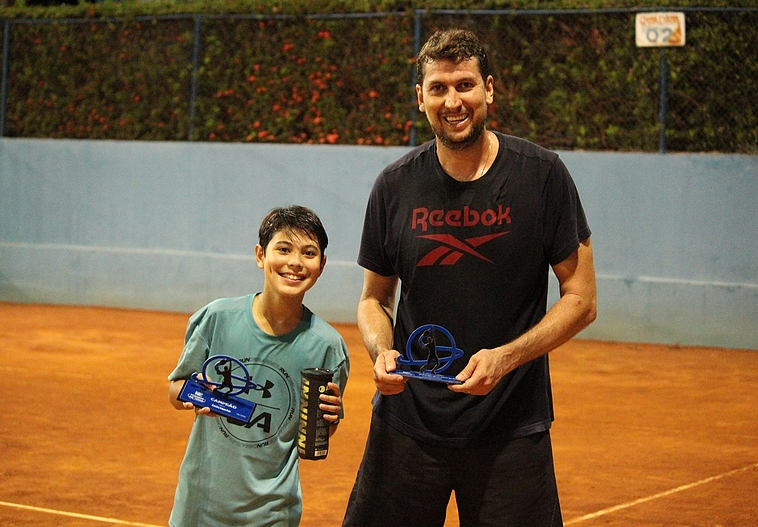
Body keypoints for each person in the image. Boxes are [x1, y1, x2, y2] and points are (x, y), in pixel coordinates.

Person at [343, 29, 597, 527]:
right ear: (421, 99)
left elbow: (581, 300)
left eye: (465, 84)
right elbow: (373, 300)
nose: (452, 100)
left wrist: (505, 358)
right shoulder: (394, 186)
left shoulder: (542, 176)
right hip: (407, 427)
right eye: (438, 88)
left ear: (489, 90)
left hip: (510, 429)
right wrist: (381, 351)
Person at [168, 205, 350, 527]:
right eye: (283, 249)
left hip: (271, 513)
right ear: (260, 255)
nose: (295, 262)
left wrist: (330, 419)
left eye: (309, 253)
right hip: (200, 505)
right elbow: (176, 389)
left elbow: (316, 433)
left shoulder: (327, 347)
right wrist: (197, 394)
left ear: (321, 265)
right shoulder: (216, 319)